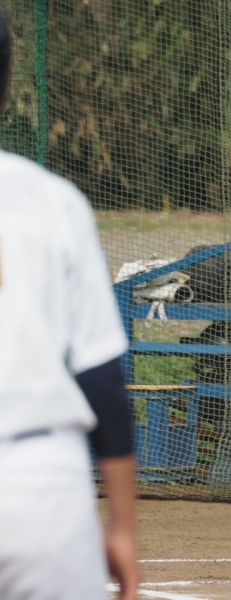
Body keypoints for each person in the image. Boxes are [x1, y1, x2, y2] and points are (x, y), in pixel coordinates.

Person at [0, 8, 140, 599]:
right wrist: (124, 528)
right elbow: (102, 378)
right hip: (39, 487)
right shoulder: (53, 202)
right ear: (8, 83)